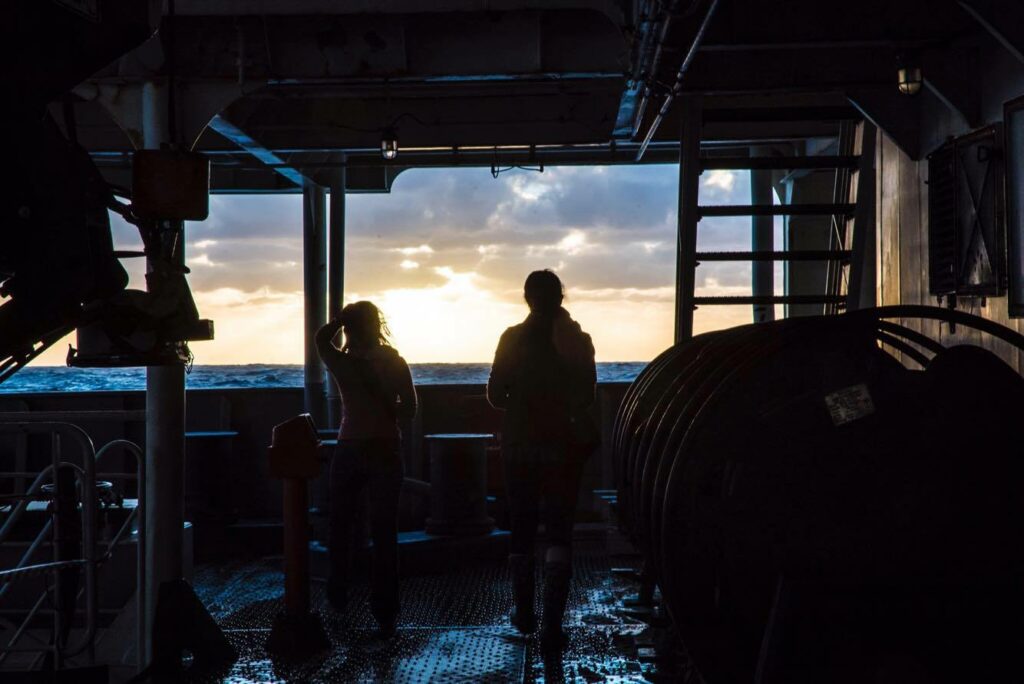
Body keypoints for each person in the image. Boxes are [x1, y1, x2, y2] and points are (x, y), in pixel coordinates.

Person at [487, 269, 598, 651]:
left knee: (521, 526)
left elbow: (494, 396)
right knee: (558, 530)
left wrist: (521, 401)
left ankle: (523, 614)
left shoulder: (511, 338)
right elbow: (586, 396)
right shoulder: (578, 340)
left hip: (518, 444)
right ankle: (553, 625)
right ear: (561, 298)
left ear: (527, 298)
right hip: (564, 446)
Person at [315, 301, 416, 637]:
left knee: (340, 525)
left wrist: (338, 320)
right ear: (377, 325)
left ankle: (338, 595)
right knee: (385, 532)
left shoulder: (343, 362)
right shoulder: (395, 361)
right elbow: (411, 410)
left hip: (349, 447)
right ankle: (386, 611)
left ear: (350, 328)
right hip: (386, 448)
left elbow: (320, 340)